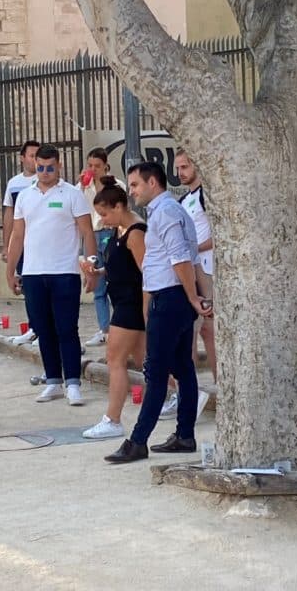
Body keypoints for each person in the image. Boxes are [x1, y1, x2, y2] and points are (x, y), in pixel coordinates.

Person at [105, 161, 211, 464]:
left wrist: (193, 297)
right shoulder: (172, 211)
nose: (132, 191)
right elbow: (186, 258)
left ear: (153, 183)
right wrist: (197, 297)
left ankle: (138, 441)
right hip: (173, 298)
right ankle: (184, 435)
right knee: (183, 369)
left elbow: (180, 258)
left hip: (171, 299)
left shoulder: (165, 212)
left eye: (136, 184)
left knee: (155, 371)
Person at [6, 144, 97, 406]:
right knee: (43, 330)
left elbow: (87, 232)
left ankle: (73, 383)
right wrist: (11, 270)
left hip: (64, 273)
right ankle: (54, 381)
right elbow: (18, 235)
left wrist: (90, 265)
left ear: (59, 166)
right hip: (33, 274)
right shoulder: (24, 196)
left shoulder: (71, 194)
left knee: (66, 328)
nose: (44, 172)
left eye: (49, 167)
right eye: (40, 167)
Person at [80, 176, 147, 439]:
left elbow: (146, 273)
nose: (102, 220)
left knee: (115, 360)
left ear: (119, 207)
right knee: (146, 361)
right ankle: (183, 394)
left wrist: (145, 311)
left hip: (131, 305)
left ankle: (113, 419)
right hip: (122, 300)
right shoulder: (121, 231)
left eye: (104, 214)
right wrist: (97, 272)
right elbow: (122, 267)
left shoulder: (136, 232)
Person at [160, 149, 216, 421]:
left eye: (185, 166)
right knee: (188, 337)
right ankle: (186, 395)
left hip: (209, 271)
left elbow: (220, 234)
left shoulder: (207, 196)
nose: (180, 172)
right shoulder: (184, 200)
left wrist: (192, 248)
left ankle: (221, 389)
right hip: (193, 272)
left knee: (211, 332)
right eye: (178, 167)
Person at [78, 147, 125, 347]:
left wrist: (99, 185)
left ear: (105, 166)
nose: (93, 169)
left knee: (114, 281)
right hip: (91, 235)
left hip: (109, 233)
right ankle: (103, 329)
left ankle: (119, 327)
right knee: (97, 284)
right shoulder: (83, 186)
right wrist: (82, 186)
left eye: (97, 166)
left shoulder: (116, 185)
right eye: (90, 165)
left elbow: (114, 209)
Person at [4, 140, 39, 346]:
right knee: (26, 286)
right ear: (22, 158)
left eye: (38, 155)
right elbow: (9, 213)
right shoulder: (14, 183)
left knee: (39, 286)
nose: (35, 160)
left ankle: (42, 328)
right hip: (21, 244)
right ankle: (33, 327)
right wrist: (7, 245)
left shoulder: (45, 180)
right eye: (32, 155)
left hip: (39, 244)